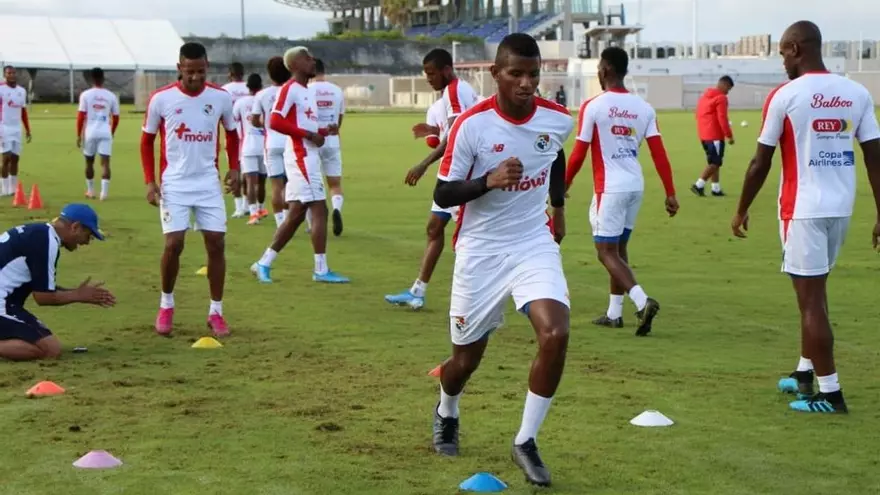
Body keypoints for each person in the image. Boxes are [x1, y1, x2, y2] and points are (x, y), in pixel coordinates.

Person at [429, 33, 571, 488]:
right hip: (481, 251)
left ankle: (525, 440)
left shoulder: (557, 118)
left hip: (533, 241)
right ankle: (447, 408)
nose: (527, 83)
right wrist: (488, 180)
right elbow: (443, 192)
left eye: (534, 74)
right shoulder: (471, 126)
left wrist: (559, 207)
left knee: (556, 331)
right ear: (495, 74)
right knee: (464, 362)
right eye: (516, 74)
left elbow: (555, 152)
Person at [732, 20, 880, 414]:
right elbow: (875, 158)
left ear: (796, 48)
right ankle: (803, 373)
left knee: (810, 301)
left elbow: (759, 162)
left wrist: (742, 208)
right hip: (841, 209)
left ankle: (830, 394)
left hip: (801, 211)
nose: (782, 61)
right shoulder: (856, 92)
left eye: (783, 52)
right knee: (814, 295)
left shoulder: (786, 95)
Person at [565, 46, 678, 336]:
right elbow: (659, 153)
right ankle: (614, 313)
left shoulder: (594, 106)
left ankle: (642, 302)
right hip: (634, 186)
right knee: (619, 249)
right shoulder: (644, 108)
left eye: (600, 68)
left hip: (610, 188)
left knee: (605, 252)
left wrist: (564, 184)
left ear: (607, 70)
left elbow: (578, 153)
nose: (599, 72)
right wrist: (670, 192)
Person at [141, 41, 241, 337]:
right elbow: (146, 142)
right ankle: (166, 304)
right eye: (189, 72)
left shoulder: (221, 98)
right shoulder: (161, 99)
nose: (195, 77)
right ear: (179, 69)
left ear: (207, 67)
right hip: (175, 183)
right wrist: (150, 181)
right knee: (174, 245)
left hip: (208, 182)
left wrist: (234, 167)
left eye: (200, 71)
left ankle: (216, 312)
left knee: (216, 244)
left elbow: (233, 136)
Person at [384, 48, 479, 309]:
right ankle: (418, 291)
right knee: (434, 229)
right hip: (451, 170)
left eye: (431, 73)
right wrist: (434, 132)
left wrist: (423, 164)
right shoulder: (454, 94)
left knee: (467, 238)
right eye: (426, 73)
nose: (428, 78)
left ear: (447, 70)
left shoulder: (456, 91)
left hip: (463, 173)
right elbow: (448, 133)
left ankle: (475, 295)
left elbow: (456, 134)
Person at [250, 46, 350, 284]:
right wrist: (307, 134)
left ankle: (264, 263)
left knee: (297, 215)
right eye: (307, 58)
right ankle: (319, 270)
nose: (312, 61)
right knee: (315, 210)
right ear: (294, 65)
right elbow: (275, 120)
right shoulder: (290, 89)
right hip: (301, 157)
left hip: (307, 155)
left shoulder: (306, 91)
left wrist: (324, 130)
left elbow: (303, 126)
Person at [0, 204, 115, 361]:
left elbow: (42, 287)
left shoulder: (41, 233)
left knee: (43, 344)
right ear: (75, 227)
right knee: (50, 350)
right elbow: (43, 297)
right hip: (3, 305)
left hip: (7, 303)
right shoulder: (47, 242)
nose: (86, 242)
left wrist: (77, 292)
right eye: (88, 235)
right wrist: (78, 295)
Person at [251, 56, 292, 228]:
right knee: (293, 184)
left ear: (269, 74)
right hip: (290, 142)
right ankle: (293, 220)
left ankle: (280, 224)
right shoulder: (293, 91)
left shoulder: (262, 94)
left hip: (272, 143)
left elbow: (254, 120)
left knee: (276, 185)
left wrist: (265, 123)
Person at [307, 59, 347, 236]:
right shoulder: (337, 90)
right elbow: (339, 120)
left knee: (311, 184)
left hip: (313, 140)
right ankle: (337, 207)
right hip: (332, 139)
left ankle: (311, 224)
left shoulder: (307, 90)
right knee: (335, 183)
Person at [76, 67, 120, 200]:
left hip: (90, 132)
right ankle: (104, 194)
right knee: (105, 163)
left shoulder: (86, 95)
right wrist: (111, 131)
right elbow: (116, 117)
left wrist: (78, 134)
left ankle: (91, 191)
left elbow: (81, 116)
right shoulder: (111, 95)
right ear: (103, 78)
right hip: (105, 131)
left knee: (89, 162)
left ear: (91, 79)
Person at [232, 73, 268, 225]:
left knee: (250, 182)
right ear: (261, 85)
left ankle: (253, 214)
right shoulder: (265, 99)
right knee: (262, 182)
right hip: (265, 145)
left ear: (248, 87)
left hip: (248, 145)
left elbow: (233, 121)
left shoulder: (241, 103)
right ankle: (261, 208)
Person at [692, 75, 735, 197]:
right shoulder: (721, 98)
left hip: (704, 134)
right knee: (715, 162)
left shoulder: (704, 97)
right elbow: (722, 118)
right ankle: (698, 185)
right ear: (724, 85)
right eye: (728, 88)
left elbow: (698, 114)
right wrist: (729, 135)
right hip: (715, 134)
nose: (727, 92)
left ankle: (715, 188)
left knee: (714, 161)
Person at [222, 62, 250, 218]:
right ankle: (247, 204)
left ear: (229, 73)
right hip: (249, 134)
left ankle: (238, 207)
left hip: (232, 135)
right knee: (248, 173)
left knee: (235, 170)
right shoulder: (250, 89)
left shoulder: (225, 90)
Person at [0, 66, 31, 197]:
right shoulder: (1, 89)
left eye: (13, 73)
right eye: (9, 73)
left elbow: (23, 111)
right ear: (4, 75)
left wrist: (28, 129)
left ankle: (13, 189)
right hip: (3, 127)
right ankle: (4, 189)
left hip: (16, 128)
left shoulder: (22, 91)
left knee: (15, 159)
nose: (11, 75)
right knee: (5, 158)